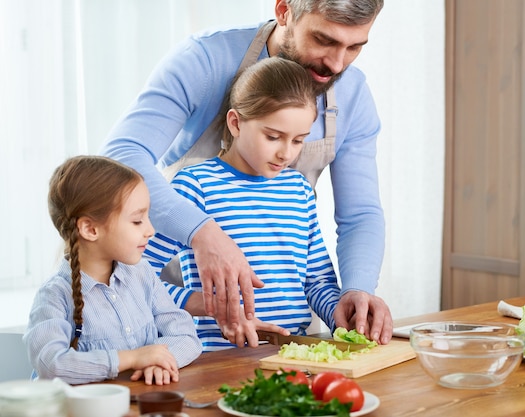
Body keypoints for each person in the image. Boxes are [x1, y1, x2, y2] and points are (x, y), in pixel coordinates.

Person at [101, 0, 393, 344]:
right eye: (324, 40)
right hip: (185, 327)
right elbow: (121, 155)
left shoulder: (349, 100)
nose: (336, 63)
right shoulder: (204, 61)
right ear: (284, 11)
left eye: (355, 46)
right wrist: (202, 233)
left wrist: (355, 291)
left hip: (284, 339)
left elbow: (359, 215)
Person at [144, 56, 342, 350]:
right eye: (273, 137)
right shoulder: (195, 186)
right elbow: (136, 280)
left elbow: (317, 280)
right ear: (236, 123)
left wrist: (342, 316)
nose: (286, 154)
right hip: (216, 358)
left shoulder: (298, 190)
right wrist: (209, 306)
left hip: (292, 354)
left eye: (298, 140)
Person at [23, 156, 202, 385]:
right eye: (137, 221)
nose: (150, 230)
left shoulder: (141, 274)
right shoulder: (54, 295)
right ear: (90, 229)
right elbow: (51, 364)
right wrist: (130, 359)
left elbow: (186, 336)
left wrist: (160, 360)